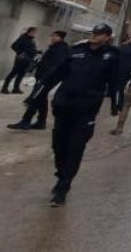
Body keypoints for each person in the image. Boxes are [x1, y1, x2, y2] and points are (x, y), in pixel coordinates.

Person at [29, 23, 121, 207]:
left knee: (76, 148)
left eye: (100, 34)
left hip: (86, 109)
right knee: (58, 145)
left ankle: (62, 188)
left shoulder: (111, 56)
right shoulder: (76, 51)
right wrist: (38, 93)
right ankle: (62, 172)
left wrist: (116, 103)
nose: (95, 36)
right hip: (64, 105)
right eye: (94, 32)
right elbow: (56, 74)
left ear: (107, 37)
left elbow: (116, 82)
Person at [7, 30, 70, 130]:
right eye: (52, 36)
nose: (53, 38)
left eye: (56, 36)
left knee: (35, 98)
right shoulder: (55, 47)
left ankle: (25, 121)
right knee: (41, 98)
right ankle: (41, 122)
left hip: (47, 79)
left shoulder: (61, 49)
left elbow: (56, 66)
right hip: (44, 77)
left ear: (61, 38)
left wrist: (45, 78)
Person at [1, 27, 39, 94]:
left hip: (28, 60)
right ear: (29, 32)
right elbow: (13, 46)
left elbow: (30, 49)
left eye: (35, 32)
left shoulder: (32, 40)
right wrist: (20, 53)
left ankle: (16, 89)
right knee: (13, 73)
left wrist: (37, 51)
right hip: (20, 60)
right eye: (33, 32)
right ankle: (4, 88)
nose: (35, 33)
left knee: (21, 75)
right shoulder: (23, 38)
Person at [113, 33, 131, 111]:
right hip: (126, 72)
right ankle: (120, 104)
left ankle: (116, 103)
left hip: (117, 70)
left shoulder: (120, 48)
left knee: (117, 88)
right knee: (122, 88)